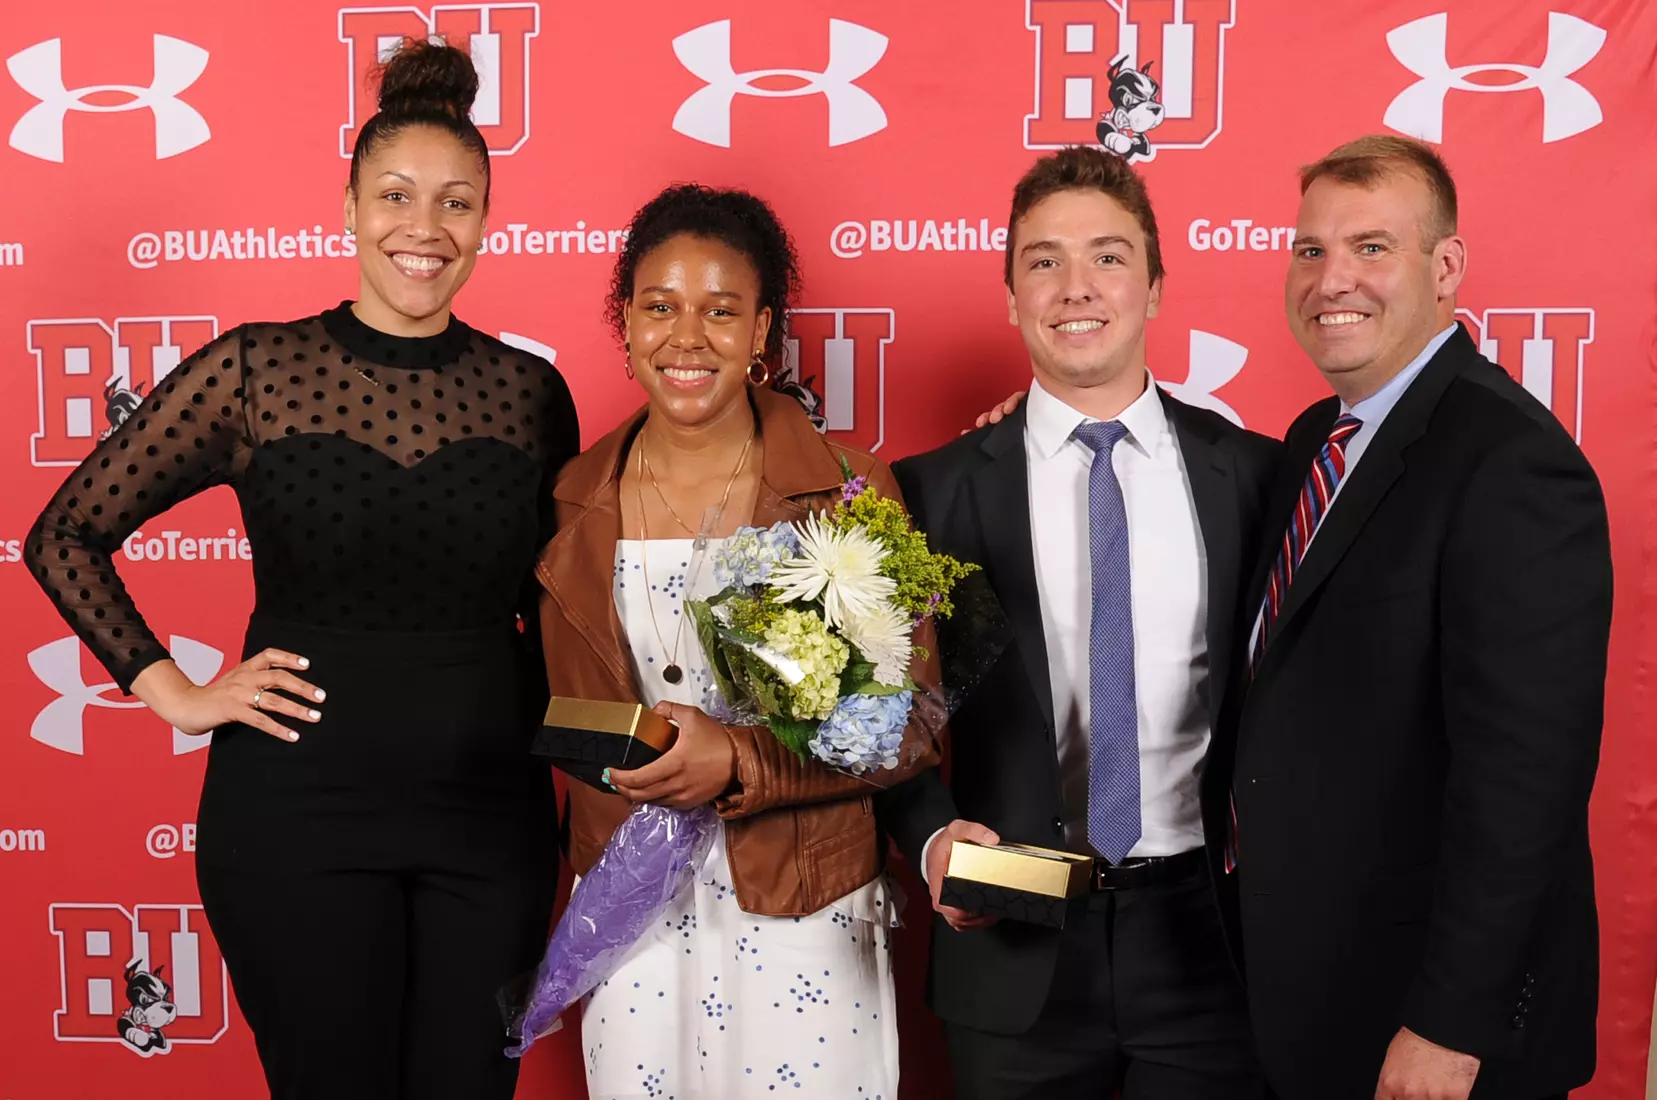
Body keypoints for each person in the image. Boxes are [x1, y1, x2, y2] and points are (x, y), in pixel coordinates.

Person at [24, 42, 577, 1099]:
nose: (425, 228)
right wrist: (176, 691)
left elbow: (553, 603)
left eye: (457, 202)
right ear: (348, 204)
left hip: (491, 824)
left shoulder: (530, 393)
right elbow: (65, 533)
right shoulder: (256, 369)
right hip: (295, 821)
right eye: (397, 196)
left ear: (488, 218)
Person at [877, 145, 1277, 1098]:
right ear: (1010, 293)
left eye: (1107, 256)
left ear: (1155, 284)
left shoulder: (1256, 479)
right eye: (1042, 261)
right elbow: (877, 719)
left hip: (1208, 947)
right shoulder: (930, 493)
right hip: (1009, 942)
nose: (1074, 287)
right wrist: (934, 840)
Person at [534, 183, 946, 1100]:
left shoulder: (844, 489)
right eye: (660, 307)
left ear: (762, 332)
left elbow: (912, 724)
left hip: (803, 902)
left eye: (721, 312)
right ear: (626, 323)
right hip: (630, 909)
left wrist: (741, 760)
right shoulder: (567, 496)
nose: (688, 337)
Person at [1228, 135, 1610, 1100]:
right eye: (1309, 250)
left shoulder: (1510, 463)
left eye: (1369, 247)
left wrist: (1450, 1023)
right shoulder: (1320, 440)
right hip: (1311, 994)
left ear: (1444, 269)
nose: (1330, 280)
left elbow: (1524, 782)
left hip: (1429, 1030)